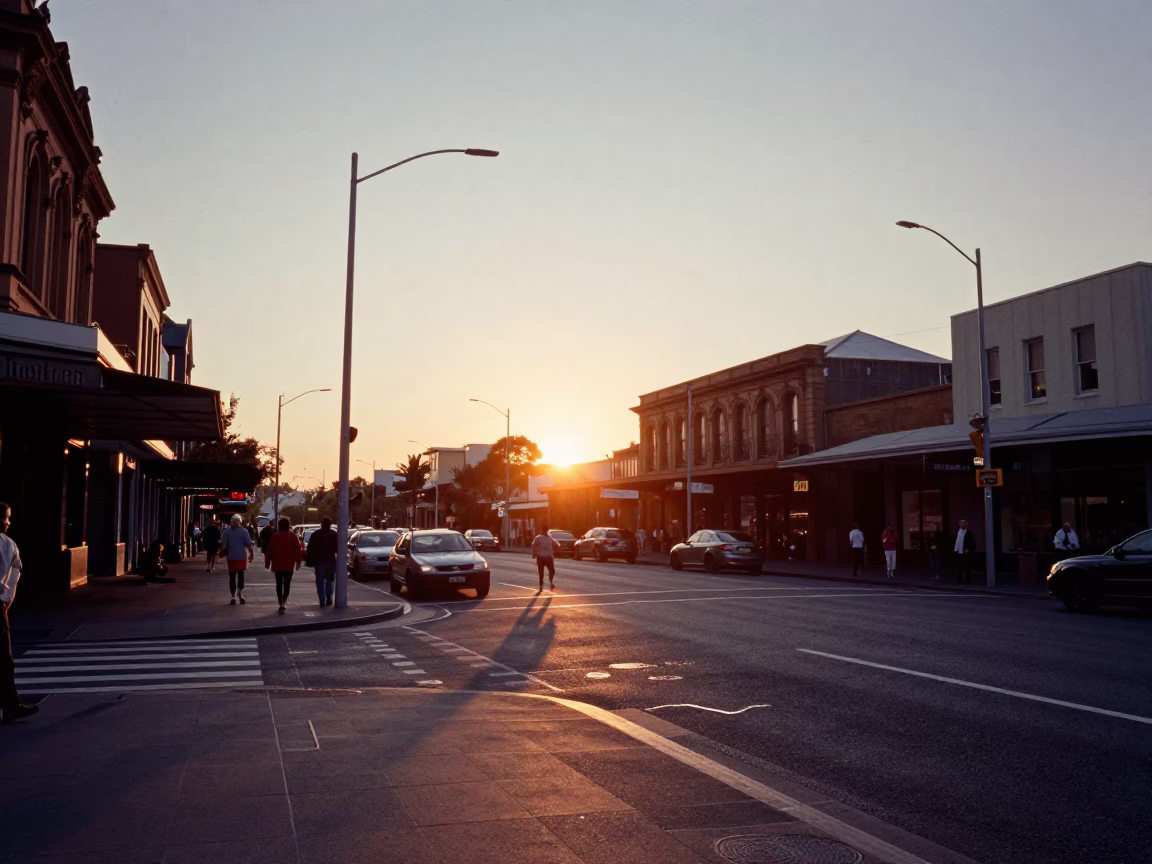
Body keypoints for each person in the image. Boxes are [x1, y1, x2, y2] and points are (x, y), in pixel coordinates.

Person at [0, 502, 37, 723]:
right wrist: (6, 600)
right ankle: (11, 706)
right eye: (7, 518)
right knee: (4, 659)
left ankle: (11, 704)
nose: (8, 522)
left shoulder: (8, 544)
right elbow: (16, 571)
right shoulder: (7, 544)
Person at [266, 517, 303, 613]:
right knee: (287, 584)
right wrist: (298, 562)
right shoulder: (293, 536)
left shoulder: (275, 536)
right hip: (289, 564)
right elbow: (298, 550)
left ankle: (280, 601)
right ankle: (284, 602)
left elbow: (269, 550)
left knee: (279, 584)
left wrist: (267, 563)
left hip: (277, 564)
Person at [220, 514, 255, 604]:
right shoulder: (244, 532)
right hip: (241, 557)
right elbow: (248, 544)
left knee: (232, 577)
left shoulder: (227, 532)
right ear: (240, 522)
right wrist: (251, 553)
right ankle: (239, 592)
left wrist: (221, 552)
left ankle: (233, 596)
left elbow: (223, 545)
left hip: (231, 557)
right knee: (241, 576)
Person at [306, 517, 338, 607]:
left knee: (320, 582)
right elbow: (337, 547)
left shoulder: (315, 534)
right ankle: (329, 597)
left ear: (321, 524)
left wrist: (310, 559)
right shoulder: (334, 534)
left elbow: (310, 548)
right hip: (331, 561)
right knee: (329, 580)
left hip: (319, 561)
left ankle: (322, 600)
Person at [532, 523, 559, 591]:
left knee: (541, 572)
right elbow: (557, 545)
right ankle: (551, 582)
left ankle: (541, 586)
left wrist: (534, 554)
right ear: (547, 530)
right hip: (549, 557)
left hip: (540, 556)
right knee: (552, 570)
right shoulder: (550, 538)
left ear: (541, 529)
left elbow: (534, 545)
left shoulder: (537, 538)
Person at [954, 519, 975, 584]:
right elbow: (958, 541)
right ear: (960, 525)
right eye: (963, 523)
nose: (964, 525)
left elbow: (972, 542)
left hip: (966, 551)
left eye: (965, 523)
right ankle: (959, 579)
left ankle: (968, 580)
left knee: (967, 566)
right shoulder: (959, 531)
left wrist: (969, 549)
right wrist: (956, 548)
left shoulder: (969, 532)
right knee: (959, 566)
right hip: (959, 551)